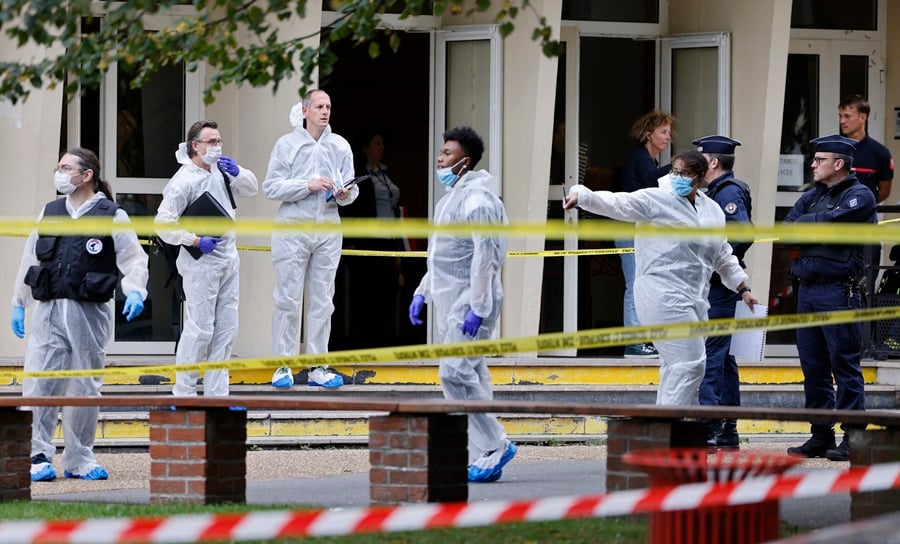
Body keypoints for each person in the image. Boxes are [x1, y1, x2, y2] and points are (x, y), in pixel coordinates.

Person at [564, 150, 757, 406]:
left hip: (693, 299)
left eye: (684, 174)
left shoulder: (711, 210)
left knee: (675, 366)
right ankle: (670, 426)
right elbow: (618, 203)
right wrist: (582, 196)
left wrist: (742, 287)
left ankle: (664, 427)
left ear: (699, 178)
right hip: (661, 294)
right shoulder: (657, 199)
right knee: (691, 364)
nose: (676, 177)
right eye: (674, 171)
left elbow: (722, 253)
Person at [11, 147, 148, 481]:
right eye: (58, 166)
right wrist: (19, 302)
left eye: (66, 167)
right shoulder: (50, 212)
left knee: (84, 385)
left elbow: (133, 259)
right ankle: (37, 455)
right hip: (48, 310)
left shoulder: (111, 215)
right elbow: (31, 258)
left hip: (89, 312)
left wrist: (136, 291)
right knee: (40, 383)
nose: (60, 173)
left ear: (87, 175)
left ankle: (79, 458)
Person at [408, 126, 517, 483]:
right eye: (440, 153)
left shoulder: (478, 200)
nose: (440, 159)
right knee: (473, 373)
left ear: (465, 162)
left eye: (448, 154)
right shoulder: (450, 199)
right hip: (452, 299)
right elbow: (442, 255)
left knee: (453, 373)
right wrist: (422, 291)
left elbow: (485, 255)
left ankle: (496, 444)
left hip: (471, 301)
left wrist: (479, 306)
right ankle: (481, 453)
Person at [785, 134, 876, 462]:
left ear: (839, 164)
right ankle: (820, 435)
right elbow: (786, 229)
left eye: (819, 159)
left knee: (844, 365)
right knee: (814, 367)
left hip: (839, 290)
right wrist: (814, 226)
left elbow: (838, 222)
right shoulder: (812, 196)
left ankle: (853, 439)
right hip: (807, 290)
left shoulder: (859, 195)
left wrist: (807, 226)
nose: (812, 164)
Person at [155, 120, 259, 397]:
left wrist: (240, 173)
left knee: (227, 329)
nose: (217, 147)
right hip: (200, 262)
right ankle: (184, 392)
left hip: (228, 257)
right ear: (195, 146)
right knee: (200, 329)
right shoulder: (183, 181)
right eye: (212, 142)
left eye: (219, 141)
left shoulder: (221, 174)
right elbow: (163, 224)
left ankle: (217, 393)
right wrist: (196, 240)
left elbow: (251, 189)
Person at [265, 89, 359, 389]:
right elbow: (272, 187)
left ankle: (319, 365)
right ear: (305, 110)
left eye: (329, 106)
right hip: (292, 229)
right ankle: (283, 365)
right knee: (288, 299)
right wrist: (308, 185)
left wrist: (344, 193)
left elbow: (352, 190)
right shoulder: (287, 145)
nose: (325, 111)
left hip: (328, 227)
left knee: (323, 300)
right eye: (319, 106)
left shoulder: (340, 146)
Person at [693, 136, 754, 448]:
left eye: (701, 157)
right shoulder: (715, 192)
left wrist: (716, 262)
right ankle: (726, 428)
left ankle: (709, 424)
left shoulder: (728, 192)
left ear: (713, 162)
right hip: (719, 286)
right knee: (724, 357)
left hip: (721, 287)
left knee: (711, 356)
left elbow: (742, 234)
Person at [612, 110, 675, 359]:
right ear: (648, 134)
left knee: (642, 283)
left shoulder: (649, 160)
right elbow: (652, 184)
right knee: (635, 284)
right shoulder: (641, 159)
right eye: (663, 132)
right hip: (629, 228)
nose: (668, 137)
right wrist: (678, 166)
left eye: (669, 132)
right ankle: (636, 343)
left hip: (637, 229)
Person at [338, 129, 402, 348]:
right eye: (376, 143)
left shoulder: (385, 173)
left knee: (387, 290)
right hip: (368, 240)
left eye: (382, 143)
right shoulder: (359, 174)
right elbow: (353, 209)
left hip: (388, 239)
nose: (381, 148)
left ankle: (383, 340)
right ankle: (364, 342)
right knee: (366, 292)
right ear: (366, 148)